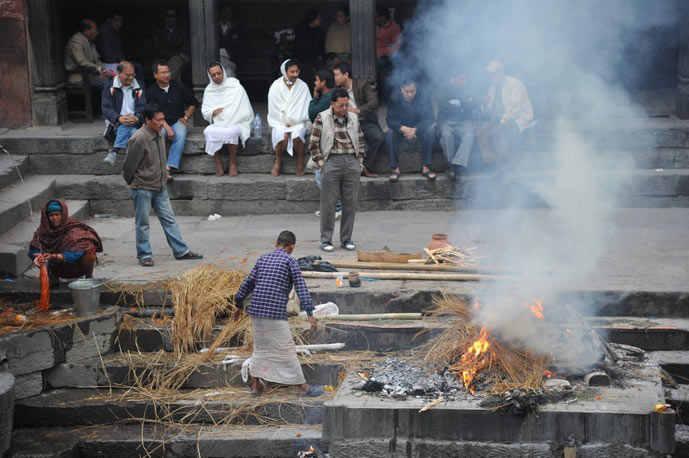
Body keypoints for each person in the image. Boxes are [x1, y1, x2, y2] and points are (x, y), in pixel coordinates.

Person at [234, 230, 322, 397]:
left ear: (277, 243)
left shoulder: (263, 259)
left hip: (256, 311)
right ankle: (303, 388)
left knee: (261, 350)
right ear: (291, 247)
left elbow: (247, 284)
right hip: (274, 312)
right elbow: (301, 288)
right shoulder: (290, 261)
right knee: (286, 350)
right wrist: (310, 313)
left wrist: (238, 304)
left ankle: (255, 384)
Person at [122, 103, 203, 267]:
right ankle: (144, 255)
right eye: (158, 120)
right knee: (143, 223)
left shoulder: (160, 133)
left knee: (169, 219)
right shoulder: (138, 138)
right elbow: (128, 167)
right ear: (147, 120)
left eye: (163, 119)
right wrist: (135, 183)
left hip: (160, 185)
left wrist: (163, 175)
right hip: (142, 187)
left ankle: (181, 251)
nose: (162, 123)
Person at [309, 88, 366, 253]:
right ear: (333, 104)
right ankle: (326, 239)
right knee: (329, 204)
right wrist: (321, 164)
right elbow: (313, 143)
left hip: (351, 161)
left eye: (346, 105)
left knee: (350, 203)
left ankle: (346, 239)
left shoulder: (353, 118)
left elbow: (360, 140)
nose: (344, 109)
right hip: (331, 161)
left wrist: (359, 162)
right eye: (341, 106)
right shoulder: (322, 117)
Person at [29, 200, 103, 286]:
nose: (54, 218)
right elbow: (33, 250)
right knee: (40, 259)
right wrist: (37, 257)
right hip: (55, 268)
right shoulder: (42, 232)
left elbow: (81, 249)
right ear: (46, 217)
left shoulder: (74, 228)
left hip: (75, 266)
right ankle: (52, 277)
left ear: (63, 215)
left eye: (57, 215)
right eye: (51, 215)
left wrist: (56, 256)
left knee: (90, 250)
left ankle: (88, 277)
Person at [201, 62, 254, 177]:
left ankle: (233, 162)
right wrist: (212, 112)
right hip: (219, 122)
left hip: (236, 121)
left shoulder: (235, 86)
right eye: (213, 75)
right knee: (208, 131)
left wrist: (232, 116)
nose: (216, 77)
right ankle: (218, 163)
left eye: (218, 73)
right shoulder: (209, 90)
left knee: (232, 131)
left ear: (223, 72)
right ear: (210, 76)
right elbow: (205, 111)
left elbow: (245, 108)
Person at [477, 60, 534, 166]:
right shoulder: (492, 87)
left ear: (500, 73)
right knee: (481, 132)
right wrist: (484, 104)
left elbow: (514, 109)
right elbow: (490, 110)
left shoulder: (514, 84)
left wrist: (502, 121)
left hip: (518, 118)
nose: (490, 77)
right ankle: (492, 160)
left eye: (492, 74)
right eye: (489, 75)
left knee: (499, 133)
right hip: (499, 119)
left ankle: (507, 166)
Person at [146, 61, 199, 175]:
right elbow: (153, 112)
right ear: (155, 75)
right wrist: (166, 126)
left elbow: (193, 103)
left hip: (177, 120)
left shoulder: (177, 86)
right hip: (160, 123)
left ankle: (170, 166)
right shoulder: (151, 91)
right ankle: (158, 166)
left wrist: (185, 117)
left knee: (180, 134)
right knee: (160, 135)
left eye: (168, 72)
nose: (167, 75)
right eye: (163, 72)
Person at [333, 62, 383, 177]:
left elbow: (374, 102)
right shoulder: (337, 90)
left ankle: (365, 167)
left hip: (364, 120)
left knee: (378, 137)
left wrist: (357, 110)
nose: (335, 78)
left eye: (337, 75)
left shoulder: (362, 84)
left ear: (345, 74)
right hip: (345, 123)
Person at [386, 79, 437, 182]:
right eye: (407, 91)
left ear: (416, 90)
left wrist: (416, 129)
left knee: (430, 132)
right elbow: (389, 120)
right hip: (401, 129)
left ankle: (426, 167)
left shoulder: (423, 99)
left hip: (418, 129)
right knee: (389, 134)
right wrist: (402, 128)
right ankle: (395, 169)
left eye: (412, 91)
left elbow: (430, 118)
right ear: (401, 90)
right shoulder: (394, 99)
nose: (410, 94)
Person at [267, 60, 312, 176]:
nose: (295, 74)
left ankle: (300, 160)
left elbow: (306, 106)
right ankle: (278, 160)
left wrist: (293, 121)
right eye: (292, 72)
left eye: (297, 71)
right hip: (280, 122)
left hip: (298, 121)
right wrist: (285, 122)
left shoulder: (303, 86)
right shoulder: (276, 86)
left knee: (297, 136)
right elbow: (273, 108)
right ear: (285, 72)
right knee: (282, 136)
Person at [309, 69, 341, 219]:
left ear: (323, 82)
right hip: (325, 140)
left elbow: (312, 112)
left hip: (329, 141)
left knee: (323, 177)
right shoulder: (330, 96)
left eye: (317, 80)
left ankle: (338, 206)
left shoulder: (328, 98)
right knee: (321, 175)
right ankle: (330, 207)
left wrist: (315, 97)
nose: (315, 83)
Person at [102, 61, 145, 165]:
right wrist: (118, 118)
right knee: (134, 134)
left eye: (132, 75)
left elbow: (142, 106)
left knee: (130, 128)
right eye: (127, 75)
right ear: (118, 73)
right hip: (117, 122)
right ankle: (131, 163)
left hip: (135, 121)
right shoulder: (110, 86)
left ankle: (114, 151)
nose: (131, 78)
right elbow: (106, 108)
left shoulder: (139, 85)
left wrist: (137, 117)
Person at [437, 74, 478, 179]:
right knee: (446, 136)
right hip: (447, 121)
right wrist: (463, 103)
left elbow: (472, 105)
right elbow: (443, 106)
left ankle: (457, 164)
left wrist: (460, 103)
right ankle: (450, 166)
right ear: (453, 79)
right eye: (461, 79)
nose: (463, 81)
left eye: (464, 79)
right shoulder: (444, 89)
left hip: (464, 121)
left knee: (469, 135)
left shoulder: (468, 89)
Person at [64, 19, 114, 88]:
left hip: (92, 73)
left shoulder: (90, 41)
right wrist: (100, 69)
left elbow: (97, 59)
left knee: (117, 75)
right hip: (79, 76)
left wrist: (103, 70)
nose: (97, 32)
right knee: (110, 82)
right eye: (95, 29)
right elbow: (82, 62)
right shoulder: (76, 41)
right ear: (87, 31)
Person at [153, 9, 189, 81]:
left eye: (173, 17)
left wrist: (179, 55)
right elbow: (158, 49)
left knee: (176, 61)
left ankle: (167, 83)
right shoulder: (159, 33)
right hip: (164, 58)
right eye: (168, 16)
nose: (170, 19)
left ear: (176, 19)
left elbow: (185, 49)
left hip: (179, 59)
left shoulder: (182, 32)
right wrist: (174, 54)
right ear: (165, 18)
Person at [294, 9, 325, 88]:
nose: (320, 20)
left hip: (314, 62)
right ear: (313, 19)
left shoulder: (319, 31)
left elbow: (321, 47)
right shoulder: (301, 30)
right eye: (318, 18)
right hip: (303, 61)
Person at [375, 7, 401, 98]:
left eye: (377, 17)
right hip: (377, 58)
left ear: (383, 17)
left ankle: (387, 101)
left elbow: (397, 46)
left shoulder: (394, 28)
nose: (375, 19)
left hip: (387, 59)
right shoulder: (377, 27)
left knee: (386, 82)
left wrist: (382, 52)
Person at [217, 6, 245, 76]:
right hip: (216, 57)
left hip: (230, 58)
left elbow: (239, 45)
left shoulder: (236, 27)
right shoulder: (214, 26)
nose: (226, 14)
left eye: (228, 12)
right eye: (224, 12)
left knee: (228, 73)